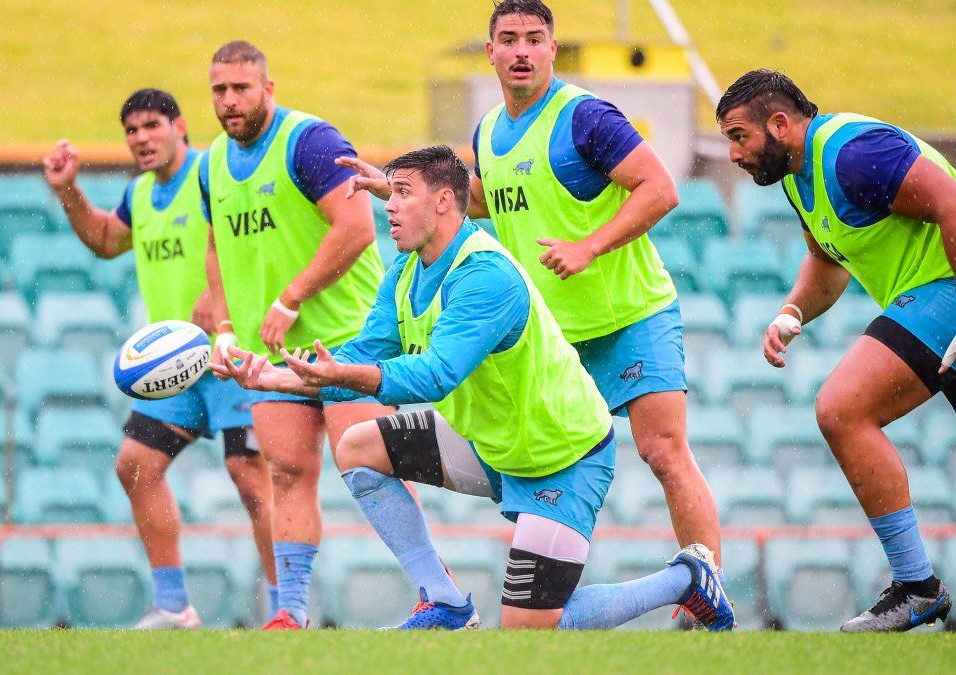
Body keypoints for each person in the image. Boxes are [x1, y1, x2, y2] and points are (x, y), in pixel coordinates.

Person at [212, 145, 735, 631]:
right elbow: (362, 353)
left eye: (402, 192)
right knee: (358, 448)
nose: (387, 205)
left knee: (532, 629)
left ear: (444, 201)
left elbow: (436, 374)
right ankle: (443, 600)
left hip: (561, 457)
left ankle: (686, 579)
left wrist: (337, 376)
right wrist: (272, 376)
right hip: (490, 443)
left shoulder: (484, 275)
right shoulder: (405, 270)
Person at [338, 0, 725, 581]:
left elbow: (660, 188)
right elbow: (480, 200)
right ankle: (525, 600)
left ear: (552, 48)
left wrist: (589, 246)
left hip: (630, 318)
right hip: (555, 337)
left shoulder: (586, 117)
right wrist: (395, 189)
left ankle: (712, 599)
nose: (522, 51)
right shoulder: (489, 130)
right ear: (490, 51)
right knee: (535, 460)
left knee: (664, 452)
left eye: (535, 39)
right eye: (510, 39)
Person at [717, 68, 955, 632]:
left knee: (842, 408)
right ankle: (917, 588)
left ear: (780, 125)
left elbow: (952, 201)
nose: (732, 154)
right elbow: (827, 261)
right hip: (929, 296)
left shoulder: (853, 153)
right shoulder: (798, 177)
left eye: (739, 136)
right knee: (843, 411)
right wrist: (792, 311)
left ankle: (917, 588)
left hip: (944, 288)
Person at [42, 89, 275, 629]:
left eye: (152, 125)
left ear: (180, 126)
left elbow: (256, 239)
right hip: (177, 367)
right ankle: (173, 605)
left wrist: (217, 296)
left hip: (231, 352)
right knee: (136, 465)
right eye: (131, 130)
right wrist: (68, 190)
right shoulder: (141, 194)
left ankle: (286, 607)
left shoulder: (213, 174)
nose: (141, 138)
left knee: (250, 477)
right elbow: (106, 240)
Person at [200, 41, 396, 629]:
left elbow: (357, 227)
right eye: (219, 90)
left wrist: (291, 298)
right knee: (285, 474)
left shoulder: (310, 141)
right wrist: (225, 328)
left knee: (372, 468)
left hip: (349, 338)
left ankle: (439, 598)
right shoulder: (211, 163)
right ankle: (291, 613)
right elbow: (216, 249)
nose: (230, 100)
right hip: (272, 352)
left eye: (241, 88)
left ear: (268, 88)